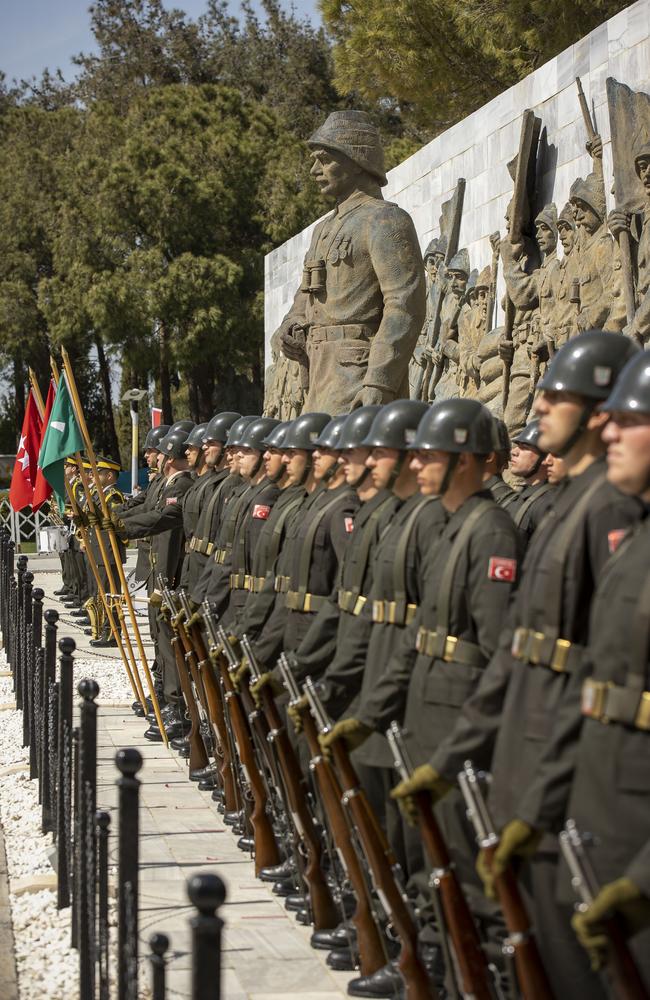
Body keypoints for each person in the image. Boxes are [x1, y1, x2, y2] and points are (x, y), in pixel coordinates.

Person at [391, 330, 642, 998]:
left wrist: (540, 793)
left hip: (582, 779)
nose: (539, 404)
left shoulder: (607, 510)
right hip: (534, 757)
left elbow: (590, 668)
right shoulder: (568, 504)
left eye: (555, 394)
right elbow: (520, 653)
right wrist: (457, 757)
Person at [503, 350, 650, 986]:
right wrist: (538, 803)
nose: (609, 430)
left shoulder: (612, 518)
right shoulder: (630, 538)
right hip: (591, 810)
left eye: (630, 417)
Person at [278, 110, 425, 413]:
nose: (314, 170)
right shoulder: (323, 229)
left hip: (360, 374)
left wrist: (379, 382)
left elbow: (405, 305)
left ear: (358, 162)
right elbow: (306, 295)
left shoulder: (385, 219)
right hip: (320, 375)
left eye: (325, 159)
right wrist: (291, 324)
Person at [509, 418, 554, 539]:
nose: (514, 451)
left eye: (525, 447)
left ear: (546, 457)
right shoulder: (519, 497)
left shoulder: (547, 504)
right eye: (517, 445)